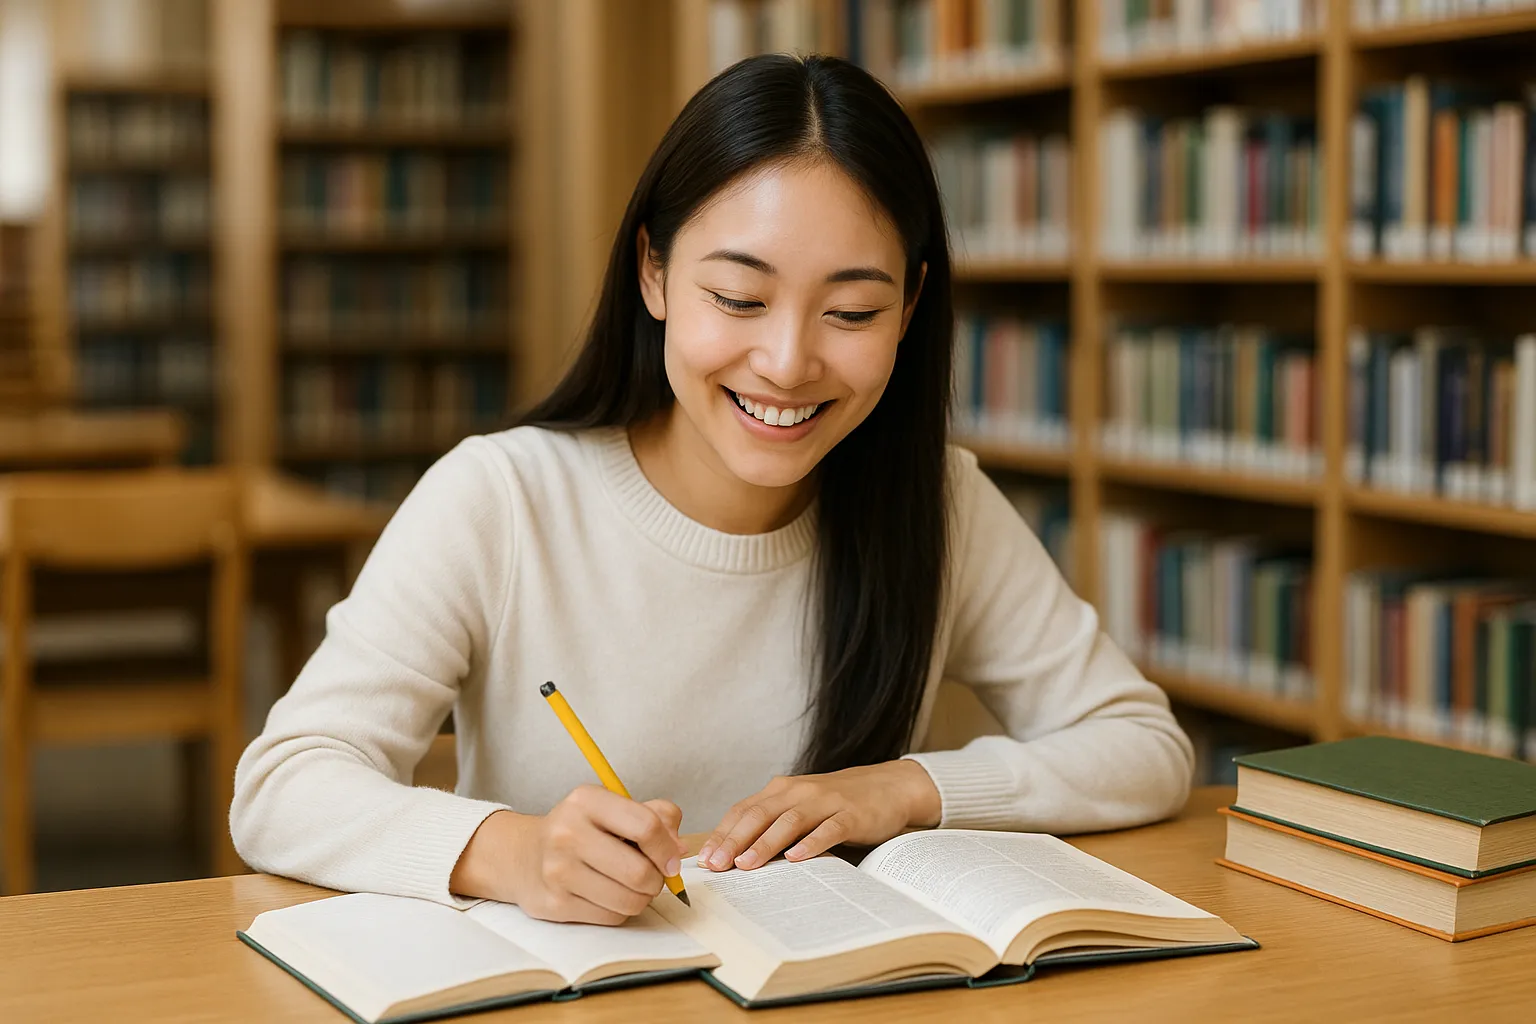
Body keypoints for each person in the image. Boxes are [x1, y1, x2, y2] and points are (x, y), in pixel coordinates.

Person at [230, 53, 1192, 926]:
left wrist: (902, 789)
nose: (786, 361)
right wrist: (513, 853)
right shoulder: (503, 499)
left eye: (852, 311)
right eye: (738, 298)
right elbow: (284, 786)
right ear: (653, 272)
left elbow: (1141, 744)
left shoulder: (937, 502)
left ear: (912, 307)